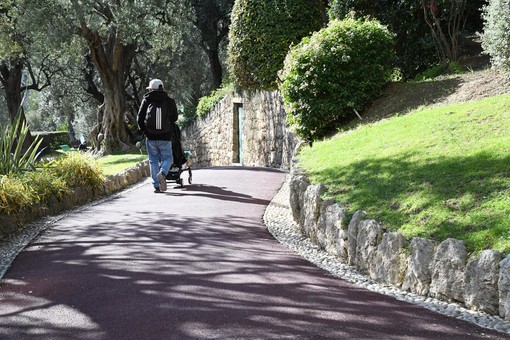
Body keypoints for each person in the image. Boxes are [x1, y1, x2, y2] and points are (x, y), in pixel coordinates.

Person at [137, 79, 179, 193]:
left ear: (151, 88)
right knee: (168, 158)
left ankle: (156, 185)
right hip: (165, 137)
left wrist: (146, 132)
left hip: (151, 137)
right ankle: (163, 173)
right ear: (162, 87)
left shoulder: (146, 100)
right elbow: (175, 118)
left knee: (153, 161)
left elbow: (139, 119)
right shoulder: (169, 101)